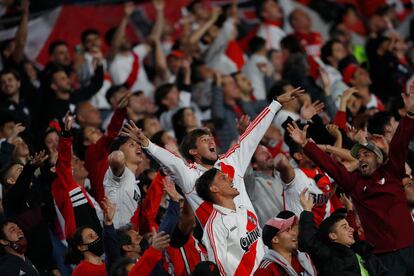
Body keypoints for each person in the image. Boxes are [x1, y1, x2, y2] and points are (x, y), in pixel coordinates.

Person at [120, 87, 304, 228]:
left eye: (211, 138)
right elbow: (171, 160)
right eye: (204, 139)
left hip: (255, 244)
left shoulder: (231, 160)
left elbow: (254, 133)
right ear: (193, 151)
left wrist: (276, 103)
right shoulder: (190, 176)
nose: (211, 141)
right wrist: (146, 142)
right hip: (226, 252)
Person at [287, 91, 414, 275]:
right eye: (358, 155)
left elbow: (399, 144)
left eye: (366, 154)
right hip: (383, 259)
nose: (361, 158)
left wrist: (410, 114)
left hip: (410, 247)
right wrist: (306, 144)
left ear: (378, 159)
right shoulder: (354, 183)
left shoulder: (392, 172)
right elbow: (330, 165)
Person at [298, 189, 387, 276]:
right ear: (333, 235)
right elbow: (308, 241)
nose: (351, 229)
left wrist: (349, 209)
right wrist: (307, 210)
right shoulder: (329, 256)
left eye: (349, 226)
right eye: (345, 227)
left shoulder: (363, 251)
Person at [195, 167, 265, 275]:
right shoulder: (215, 226)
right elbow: (219, 269)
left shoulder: (246, 212)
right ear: (214, 188)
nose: (230, 178)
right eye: (223, 178)